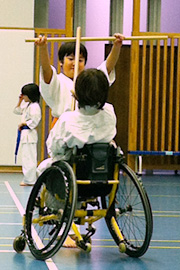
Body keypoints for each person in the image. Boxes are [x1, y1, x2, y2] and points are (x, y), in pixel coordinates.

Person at [37, 69, 117, 247]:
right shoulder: (110, 113)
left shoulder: (67, 119)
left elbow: (54, 147)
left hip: (73, 177)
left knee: (46, 167)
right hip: (103, 179)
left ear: (77, 93)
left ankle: (58, 217)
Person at [35, 33, 124, 126]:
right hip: (63, 126)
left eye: (80, 60)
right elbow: (46, 70)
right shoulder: (57, 81)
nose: (75, 63)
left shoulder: (90, 80)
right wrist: (43, 48)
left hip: (87, 125)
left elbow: (107, 68)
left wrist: (116, 47)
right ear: (61, 62)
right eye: (70, 59)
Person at [13, 83, 41, 186]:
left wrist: (24, 123)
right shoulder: (28, 105)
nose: (23, 96)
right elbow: (17, 110)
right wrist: (19, 101)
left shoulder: (35, 107)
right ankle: (28, 178)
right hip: (26, 134)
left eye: (24, 95)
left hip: (29, 134)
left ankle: (30, 180)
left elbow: (34, 121)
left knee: (29, 158)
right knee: (26, 157)